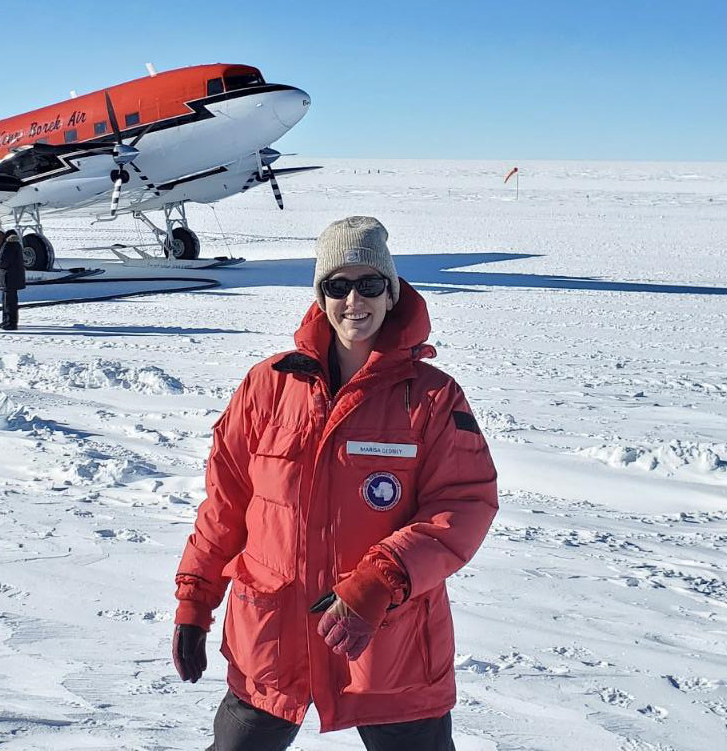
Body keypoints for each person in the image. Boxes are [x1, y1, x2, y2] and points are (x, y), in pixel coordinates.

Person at [171, 216, 499, 751]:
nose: (354, 300)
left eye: (370, 284)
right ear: (320, 294)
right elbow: (225, 508)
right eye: (337, 285)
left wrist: (380, 581)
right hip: (274, 639)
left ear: (391, 293)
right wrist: (195, 599)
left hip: (390, 647)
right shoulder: (268, 386)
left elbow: (464, 505)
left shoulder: (433, 398)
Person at [0, 229, 25, 331]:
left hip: (8, 278)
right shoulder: (17, 245)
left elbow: (3, 262)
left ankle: (9, 323)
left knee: (8, 302)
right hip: (14, 277)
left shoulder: (8, 245)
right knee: (10, 302)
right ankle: (7, 321)